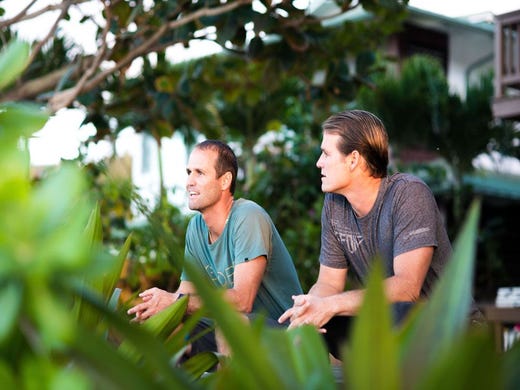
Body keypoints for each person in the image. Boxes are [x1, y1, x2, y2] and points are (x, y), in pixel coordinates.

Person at [279, 109, 478, 359]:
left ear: (353, 159)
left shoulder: (408, 194)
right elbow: (328, 283)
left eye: (326, 153)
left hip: (449, 332)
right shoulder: (334, 204)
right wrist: (310, 309)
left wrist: (331, 305)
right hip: (392, 334)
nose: (319, 162)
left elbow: (407, 289)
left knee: (398, 311)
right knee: (321, 325)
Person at [128, 139, 302, 361]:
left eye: (200, 173)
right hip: (237, 336)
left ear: (225, 181)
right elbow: (186, 296)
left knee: (229, 322)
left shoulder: (248, 217)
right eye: (189, 172)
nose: (189, 181)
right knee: (167, 323)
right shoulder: (196, 228)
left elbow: (242, 300)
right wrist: (160, 308)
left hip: (287, 338)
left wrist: (174, 301)